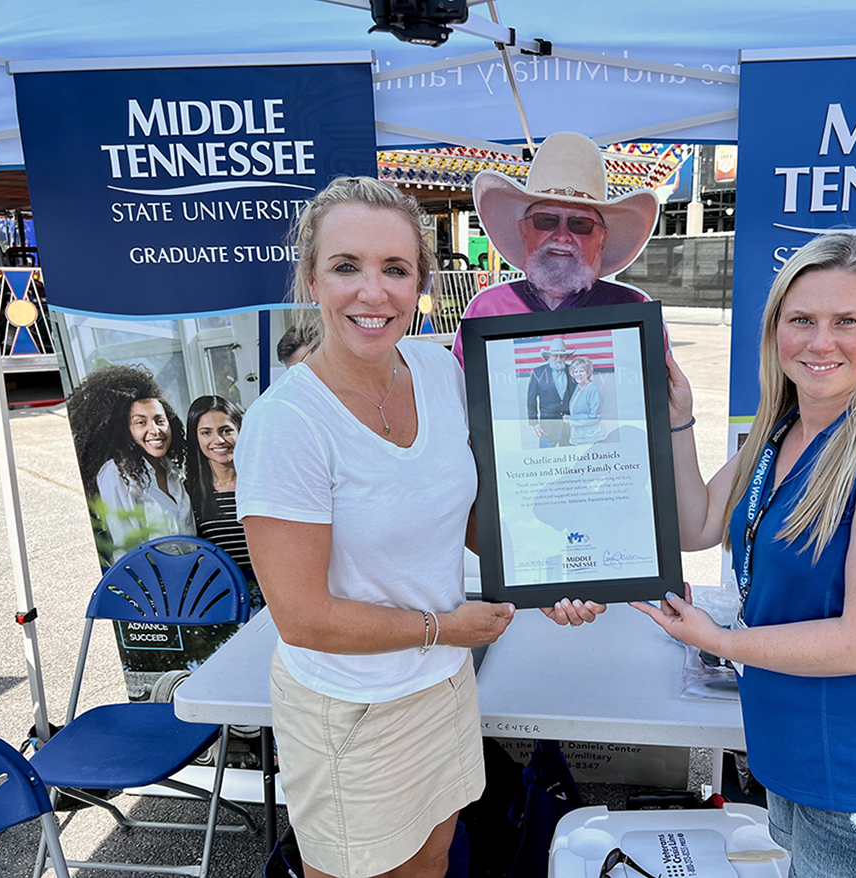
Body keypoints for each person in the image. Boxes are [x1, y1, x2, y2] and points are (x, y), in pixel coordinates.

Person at [235, 176, 598, 878]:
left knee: (434, 858)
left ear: (421, 285)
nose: (373, 293)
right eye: (347, 267)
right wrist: (446, 628)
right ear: (313, 279)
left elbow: (460, 513)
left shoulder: (436, 370)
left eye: (395, 270)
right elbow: (304, 618)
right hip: (352, 708)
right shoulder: (287, 425)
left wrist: (550, 573)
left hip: (443, 685)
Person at [634, 233, 856, 877]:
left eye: (847, 322)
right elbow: (697, 524)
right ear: (775, 331)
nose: (821, 342)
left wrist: (723, 641)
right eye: (802, 320)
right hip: (793, 755)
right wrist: (679, 418)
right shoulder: (780, 430)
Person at [451, 131, 659, 366]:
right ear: (524, 230)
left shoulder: (633, 310)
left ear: (601, 237)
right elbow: (459, 398)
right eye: (546, 220)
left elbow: (653, 398)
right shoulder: (487, 310)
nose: (562, 236)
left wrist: (677, 404)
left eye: (580, 223)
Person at [66, 364, 195, 565]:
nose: (155, 430)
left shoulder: (175, 470)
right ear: (125, 430)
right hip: (153, 585)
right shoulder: (115, 473)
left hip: (192, 576)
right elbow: (126, 547)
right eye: (141, 422)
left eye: (160, 420)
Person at [185, 395, 250, 571]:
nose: (219, 440)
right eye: (206, 433)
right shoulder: (188, 493)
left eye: (226, 430)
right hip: (223, 593)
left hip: (271, 591)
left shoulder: (262, 484)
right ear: (196, 439)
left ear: (240, 431)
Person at [526, 338, 576, 446]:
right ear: (549, 356)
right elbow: (531, 400)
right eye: (555, 355)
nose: (558, 359)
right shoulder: (538, 373)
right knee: (545, 460)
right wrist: (534, 424)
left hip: (569, 428)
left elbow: (580, 397)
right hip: (547, 428)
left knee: (570, 459)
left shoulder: (573, 371)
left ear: (565, 357)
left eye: (561, 356)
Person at [565, 354, 604, 445]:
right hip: (578, 437)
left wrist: (571, 419)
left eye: (581, 371)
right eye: (576, 371)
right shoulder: (577, 388)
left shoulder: (594, 390)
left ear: (587, 372)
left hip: (591, 438)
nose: (578, 374)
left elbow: (595, 417)